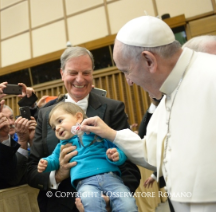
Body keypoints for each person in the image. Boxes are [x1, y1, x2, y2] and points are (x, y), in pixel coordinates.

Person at [80, 16, 216, 211]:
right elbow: (153, 156)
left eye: (126, 71)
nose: (129, 82)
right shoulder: (166, 100)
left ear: (149, 60)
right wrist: (112, 134)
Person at [27, 46, 141, 212]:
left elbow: (130, 163)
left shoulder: (113, 108)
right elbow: (32, 169)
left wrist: (111, 200)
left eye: (86, 73)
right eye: (73, 73)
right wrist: (58, 175)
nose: (80, 79)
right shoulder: (45, 115)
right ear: (62, 73)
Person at [38, 102, 137, 212]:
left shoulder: (97, 132)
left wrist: (117, 155)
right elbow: (54, 160)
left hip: (112, 178)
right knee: (90, 203)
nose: (57, 128)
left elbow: (118, 149)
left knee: (128, 204)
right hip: (85, 183)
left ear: (78, 117)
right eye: (53, 127)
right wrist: (46, 163)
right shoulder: (62, 145)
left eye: (60, 121)